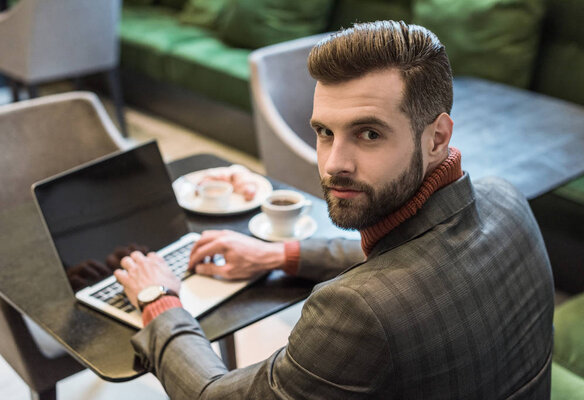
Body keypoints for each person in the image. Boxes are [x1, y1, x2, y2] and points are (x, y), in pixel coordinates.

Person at [115, 21, 554, 399]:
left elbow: (211, 395)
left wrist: (160, 301)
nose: (332, 164)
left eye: (368, 134)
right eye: (324, 131)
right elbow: (412, 257)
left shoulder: (358, 312)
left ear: (437, 138)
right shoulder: (506, 200)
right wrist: (278, 255)